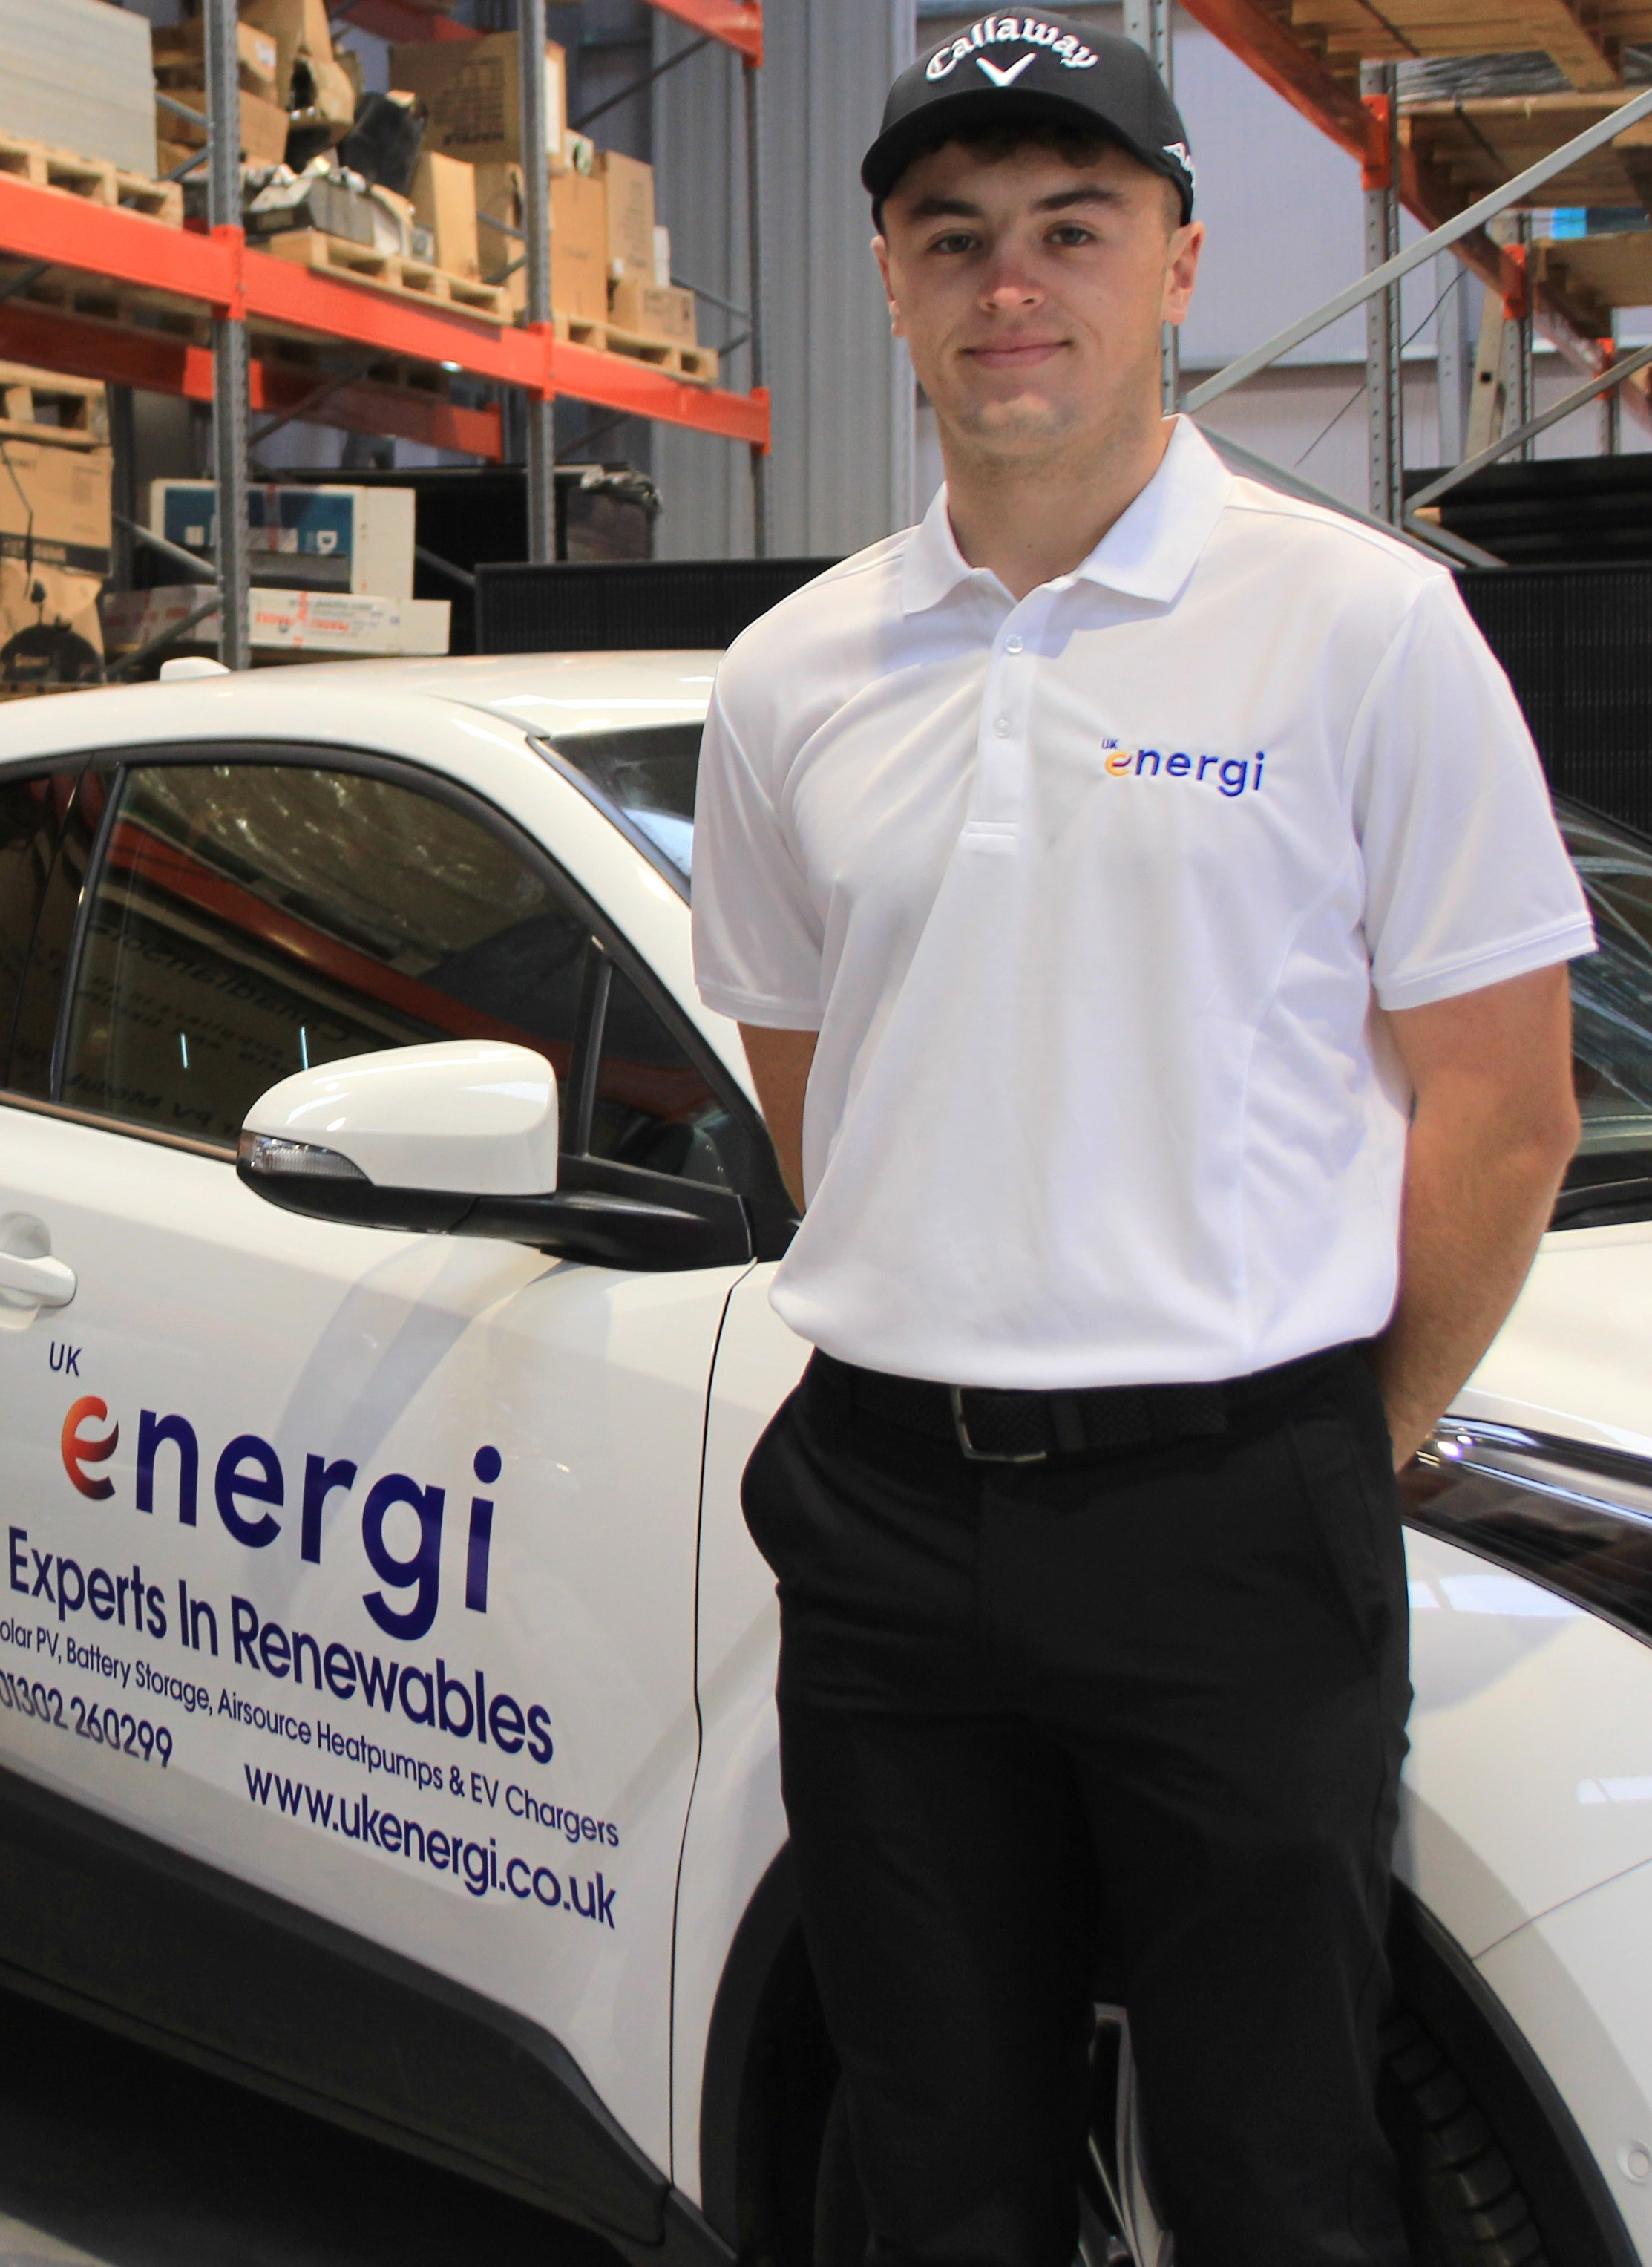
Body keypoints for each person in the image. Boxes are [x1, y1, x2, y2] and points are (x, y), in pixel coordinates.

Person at [689, 15, 1592, 2265]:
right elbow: (825, 1083)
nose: (1014, 284)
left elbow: (1503, 1106)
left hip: (1232, 1514)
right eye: (954, 236)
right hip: (886, 1521)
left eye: (1072, 228)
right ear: (890, 283)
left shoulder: (1361, 629)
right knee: (931, 2155)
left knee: (1280, 2161)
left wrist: (1322, 1439)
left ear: (1175, 262)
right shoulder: (791, 679)